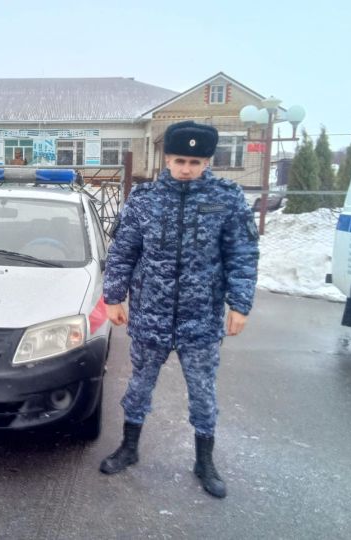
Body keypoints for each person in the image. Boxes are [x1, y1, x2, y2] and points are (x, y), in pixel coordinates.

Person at [100, 121, 259, 498]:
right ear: (167, 158)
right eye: (180, 160)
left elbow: (242, 255)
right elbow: (123, 252)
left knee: (203, 391)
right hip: (149, 314)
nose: (187, 168)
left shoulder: (228, 197)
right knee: (139, 385)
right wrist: (113, 297)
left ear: (207, 161)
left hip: (201, 317)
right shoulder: (143, 199)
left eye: (196, 161)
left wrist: (239, 305)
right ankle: (129, 447)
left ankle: (204, 460)